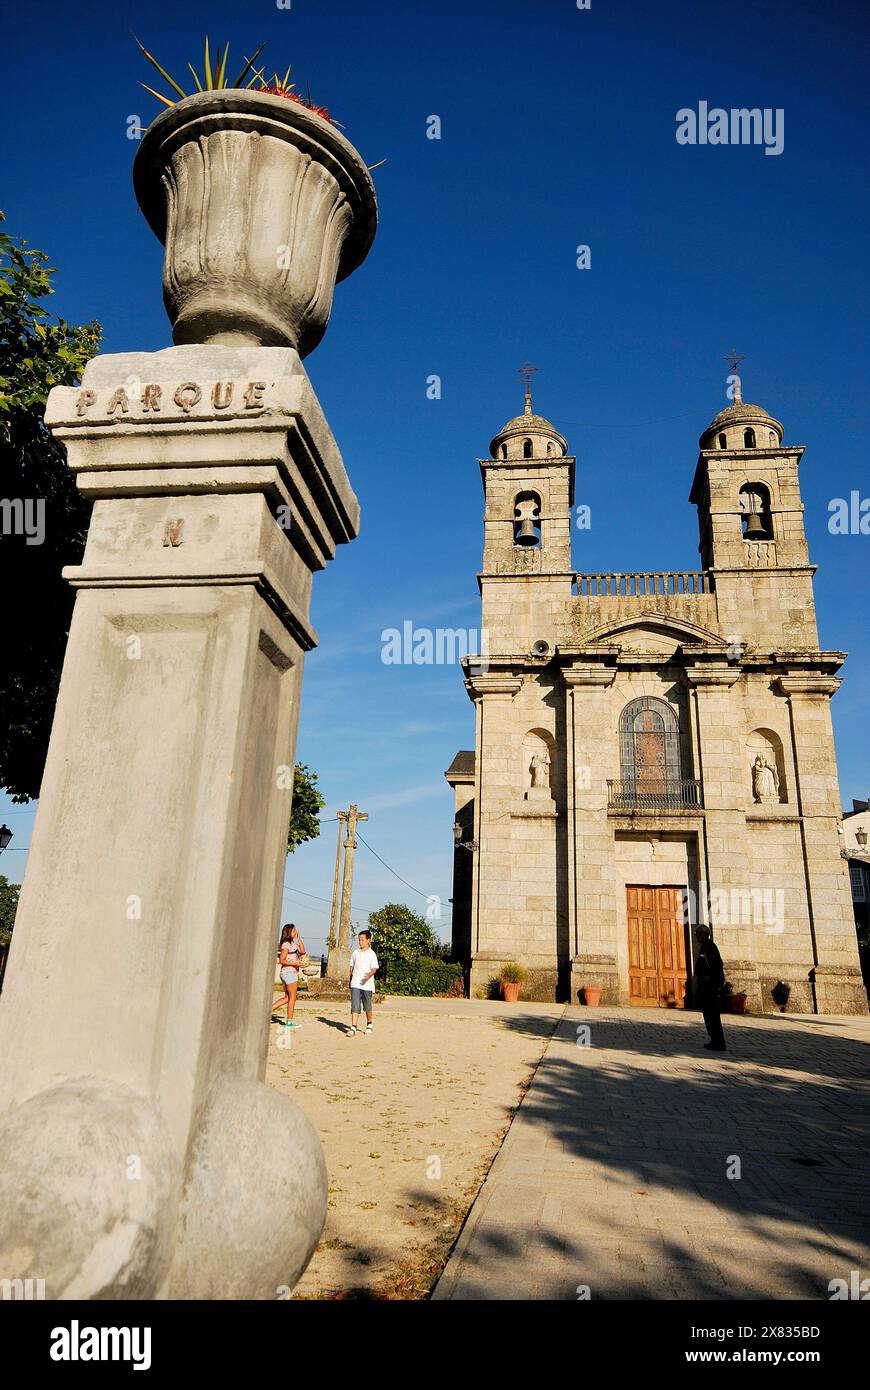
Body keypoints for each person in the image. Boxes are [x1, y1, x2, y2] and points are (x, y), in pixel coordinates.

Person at [694, 924, 726, 1052]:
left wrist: (712, 982)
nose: (696, 935)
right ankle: (714, 1040)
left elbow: (715, 966)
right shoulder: (705, 946)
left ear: (703, 934)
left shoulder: (709, 946)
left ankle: (718, 1042)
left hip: (709, 987)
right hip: (708, 986)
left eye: (697, 933)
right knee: (709, 1015)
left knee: (712, 1016)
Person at [347, 929, 378, 1037]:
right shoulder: (355, 953)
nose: (360, 942)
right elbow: (351, 966)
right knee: (355, 1005)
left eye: (363, 940)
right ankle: (353, 1027)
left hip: (367, 985)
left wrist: (369, 975)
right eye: (359, 940)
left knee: (367, 1006)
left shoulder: (371, 954)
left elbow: (374, 968)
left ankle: (369, 1023)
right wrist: (350, 979)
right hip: (356, 983)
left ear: (368, 940)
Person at [276, 923, 306, 1029]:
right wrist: (296, 964)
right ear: (288, 932)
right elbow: (281, 960)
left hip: (288, 973)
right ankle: (289, 1022)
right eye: (294, 931)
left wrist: (299, 938)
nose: (295, 932)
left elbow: (302, 951)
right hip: (289, 972)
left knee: (287, 998)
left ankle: (266, 1012)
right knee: (293, 997)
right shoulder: (286, 945)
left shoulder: (292, 944)